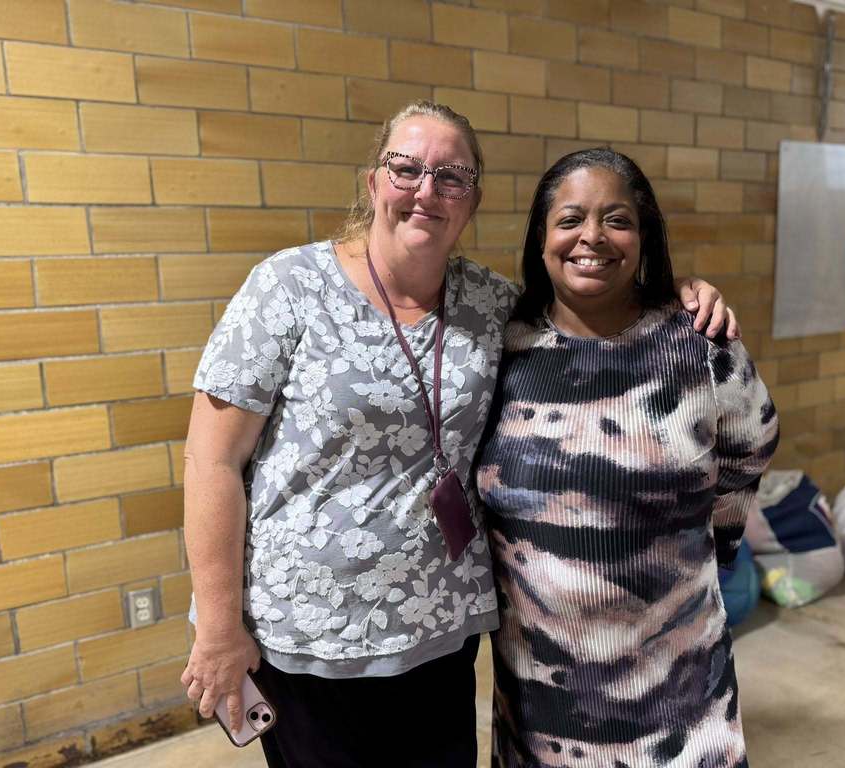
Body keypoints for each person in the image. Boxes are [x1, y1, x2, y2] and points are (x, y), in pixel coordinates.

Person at [180, 102, 739, 767]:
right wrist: (218, 627)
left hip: (442, 635)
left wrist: (678, 297)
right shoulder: (286, 290)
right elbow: (211, 460)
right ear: (372, 183)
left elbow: (590, 313)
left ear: (473, 198)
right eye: (406, 169)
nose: (426, 191)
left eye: (451, 177)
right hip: (310, 639)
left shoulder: (493, 304)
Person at [475, 148, 779, 768]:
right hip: (541, 700)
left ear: (644, 239)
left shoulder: (699, 342)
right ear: (540, 237)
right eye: (570, 220)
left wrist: (707, 552)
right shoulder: (498, 349)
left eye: (617, 220)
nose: (592, 237)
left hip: (680, 695)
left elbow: (749, 450)